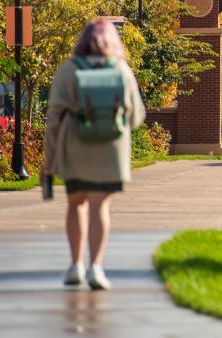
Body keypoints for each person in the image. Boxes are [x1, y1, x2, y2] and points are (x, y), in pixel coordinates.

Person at [42, 19, 145, 291]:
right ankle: (96, 268)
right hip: (111, 148)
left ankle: (76, 264)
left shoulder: (69, 69)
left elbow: (53, 117)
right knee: (101, 206)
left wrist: (49, 158)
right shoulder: (121, 70)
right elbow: (137, 116)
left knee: (77, 204)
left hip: (75, 145)